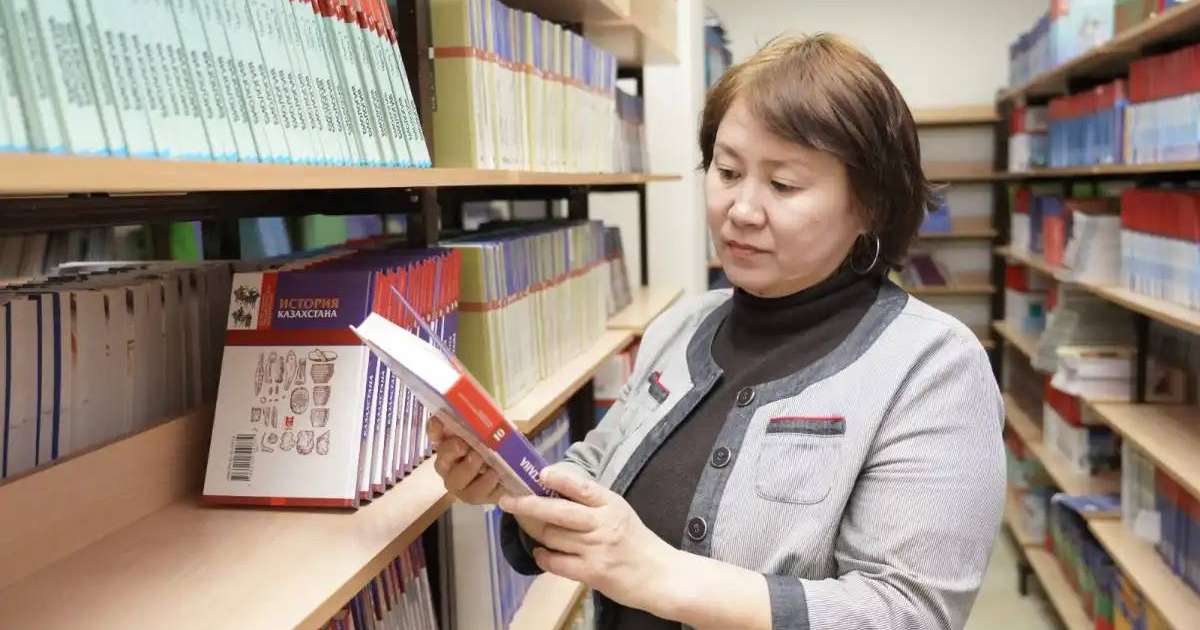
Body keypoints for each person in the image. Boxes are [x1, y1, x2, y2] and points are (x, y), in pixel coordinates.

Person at [428, 33, 1005, 630]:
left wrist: (659, 573)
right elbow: (596, 464)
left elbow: (908, 612)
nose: (742, 210)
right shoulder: (682, 326)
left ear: (870, 206)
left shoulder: (933, 367)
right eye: (727, 171)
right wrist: (517, 485)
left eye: (784, 185)